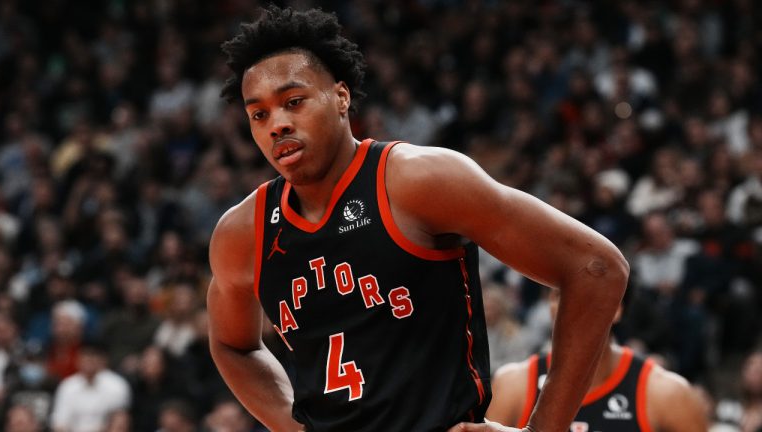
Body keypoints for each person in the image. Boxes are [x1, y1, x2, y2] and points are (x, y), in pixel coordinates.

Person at [207, 6, 628, 432]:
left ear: (341, 97)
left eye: (293, 102)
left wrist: (544, 429)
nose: (277, 124)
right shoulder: (244, 232)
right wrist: (291, 422)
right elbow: (230, 343)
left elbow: (596, 268)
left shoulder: (417, 181)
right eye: (259, 114)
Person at [486, 287, 708, 431]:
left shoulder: (668, 393)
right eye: (558, 294)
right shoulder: (512, 384)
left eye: (586, 294)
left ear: (617, 309)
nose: (570, 305)